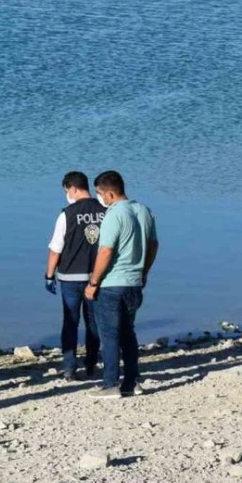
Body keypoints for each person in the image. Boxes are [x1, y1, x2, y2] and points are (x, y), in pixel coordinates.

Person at [85, 170, 159, 399]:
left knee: (110, 335)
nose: (99, 198)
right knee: (129, 334)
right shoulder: (143, 210)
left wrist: (93, 281)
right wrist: (144, 271)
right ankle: (131, 382)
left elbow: (106, 251)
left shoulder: (114, 214)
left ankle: (110, 384)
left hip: (112, 284)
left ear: (109, 194)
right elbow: (154, 245)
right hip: (135, 282)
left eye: (99, 193)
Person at [45, 171, 107, 381]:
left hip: (70, 277)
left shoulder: (67, 214)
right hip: (96, 278)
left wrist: (49, 275)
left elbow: (55, 249)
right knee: (93, 322)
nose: (66, 195)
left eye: (66, 191)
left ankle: (70, 367)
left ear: (72, 189)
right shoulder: (105, 211)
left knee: (70, 322)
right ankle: (91, 364)